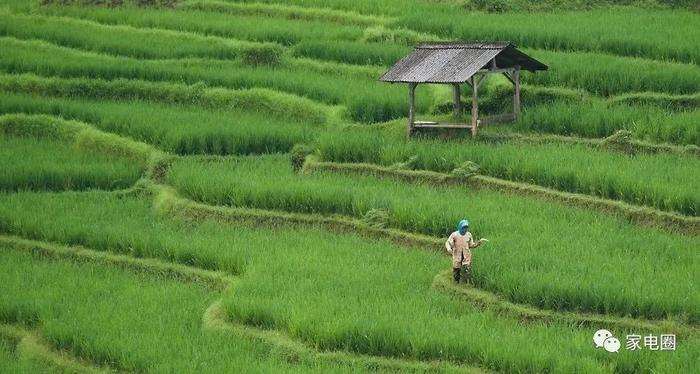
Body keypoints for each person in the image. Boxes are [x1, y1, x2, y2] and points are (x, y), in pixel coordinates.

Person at [445, 219, 483, 284]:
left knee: (466, 269)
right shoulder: (455, 235)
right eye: (463, 228)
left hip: (466, 255)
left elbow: (471, 245)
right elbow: (448, 243)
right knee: (456, 270)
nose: (465, 229)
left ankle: (466, 283)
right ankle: (456, 282)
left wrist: (477, 244)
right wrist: (449, 249)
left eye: (466, 228)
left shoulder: (468, 235)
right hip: (457, 255)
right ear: (460, 227)